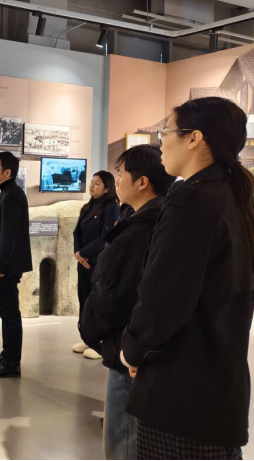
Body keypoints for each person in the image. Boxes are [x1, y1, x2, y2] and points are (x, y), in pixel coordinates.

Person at [121, 97, 254, 460]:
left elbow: (164, 294)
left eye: (166, 132)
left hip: (181, 388)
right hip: (219, 382)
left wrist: (133, 348)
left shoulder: (191, 200)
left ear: (194, 138)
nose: (161, 142)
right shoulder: (234, 195)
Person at [80, 145, 176, 460]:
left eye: (120, 174)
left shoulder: (144, 228)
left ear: (142, 182)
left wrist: (91, 330)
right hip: (134, 345)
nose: (117, 180)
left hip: (127, 347)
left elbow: (118, 293)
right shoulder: (158, 218)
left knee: (123, 439)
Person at [0, 152, 33, 378]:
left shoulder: (13, 195)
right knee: (6, 313)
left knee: (10, 315)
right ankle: (7, 355)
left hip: (6, 268)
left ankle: (12, 363)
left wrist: (0, 266)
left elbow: (8, 236)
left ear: (7, 172)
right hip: (3, 266)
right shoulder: (8, 192)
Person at [72, 171, 120, 360]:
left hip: (98, 262)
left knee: (97, 303)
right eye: (91, 182)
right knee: (84, 300)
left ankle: (99, 344)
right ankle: (87, 338)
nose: (92, 186)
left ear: (107, 188)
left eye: (97, 183)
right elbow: (76, 232)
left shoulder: (112, 208)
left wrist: (83, 253)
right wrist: (78, 253)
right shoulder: (88, 206)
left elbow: (105, 237)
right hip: (83, 262)